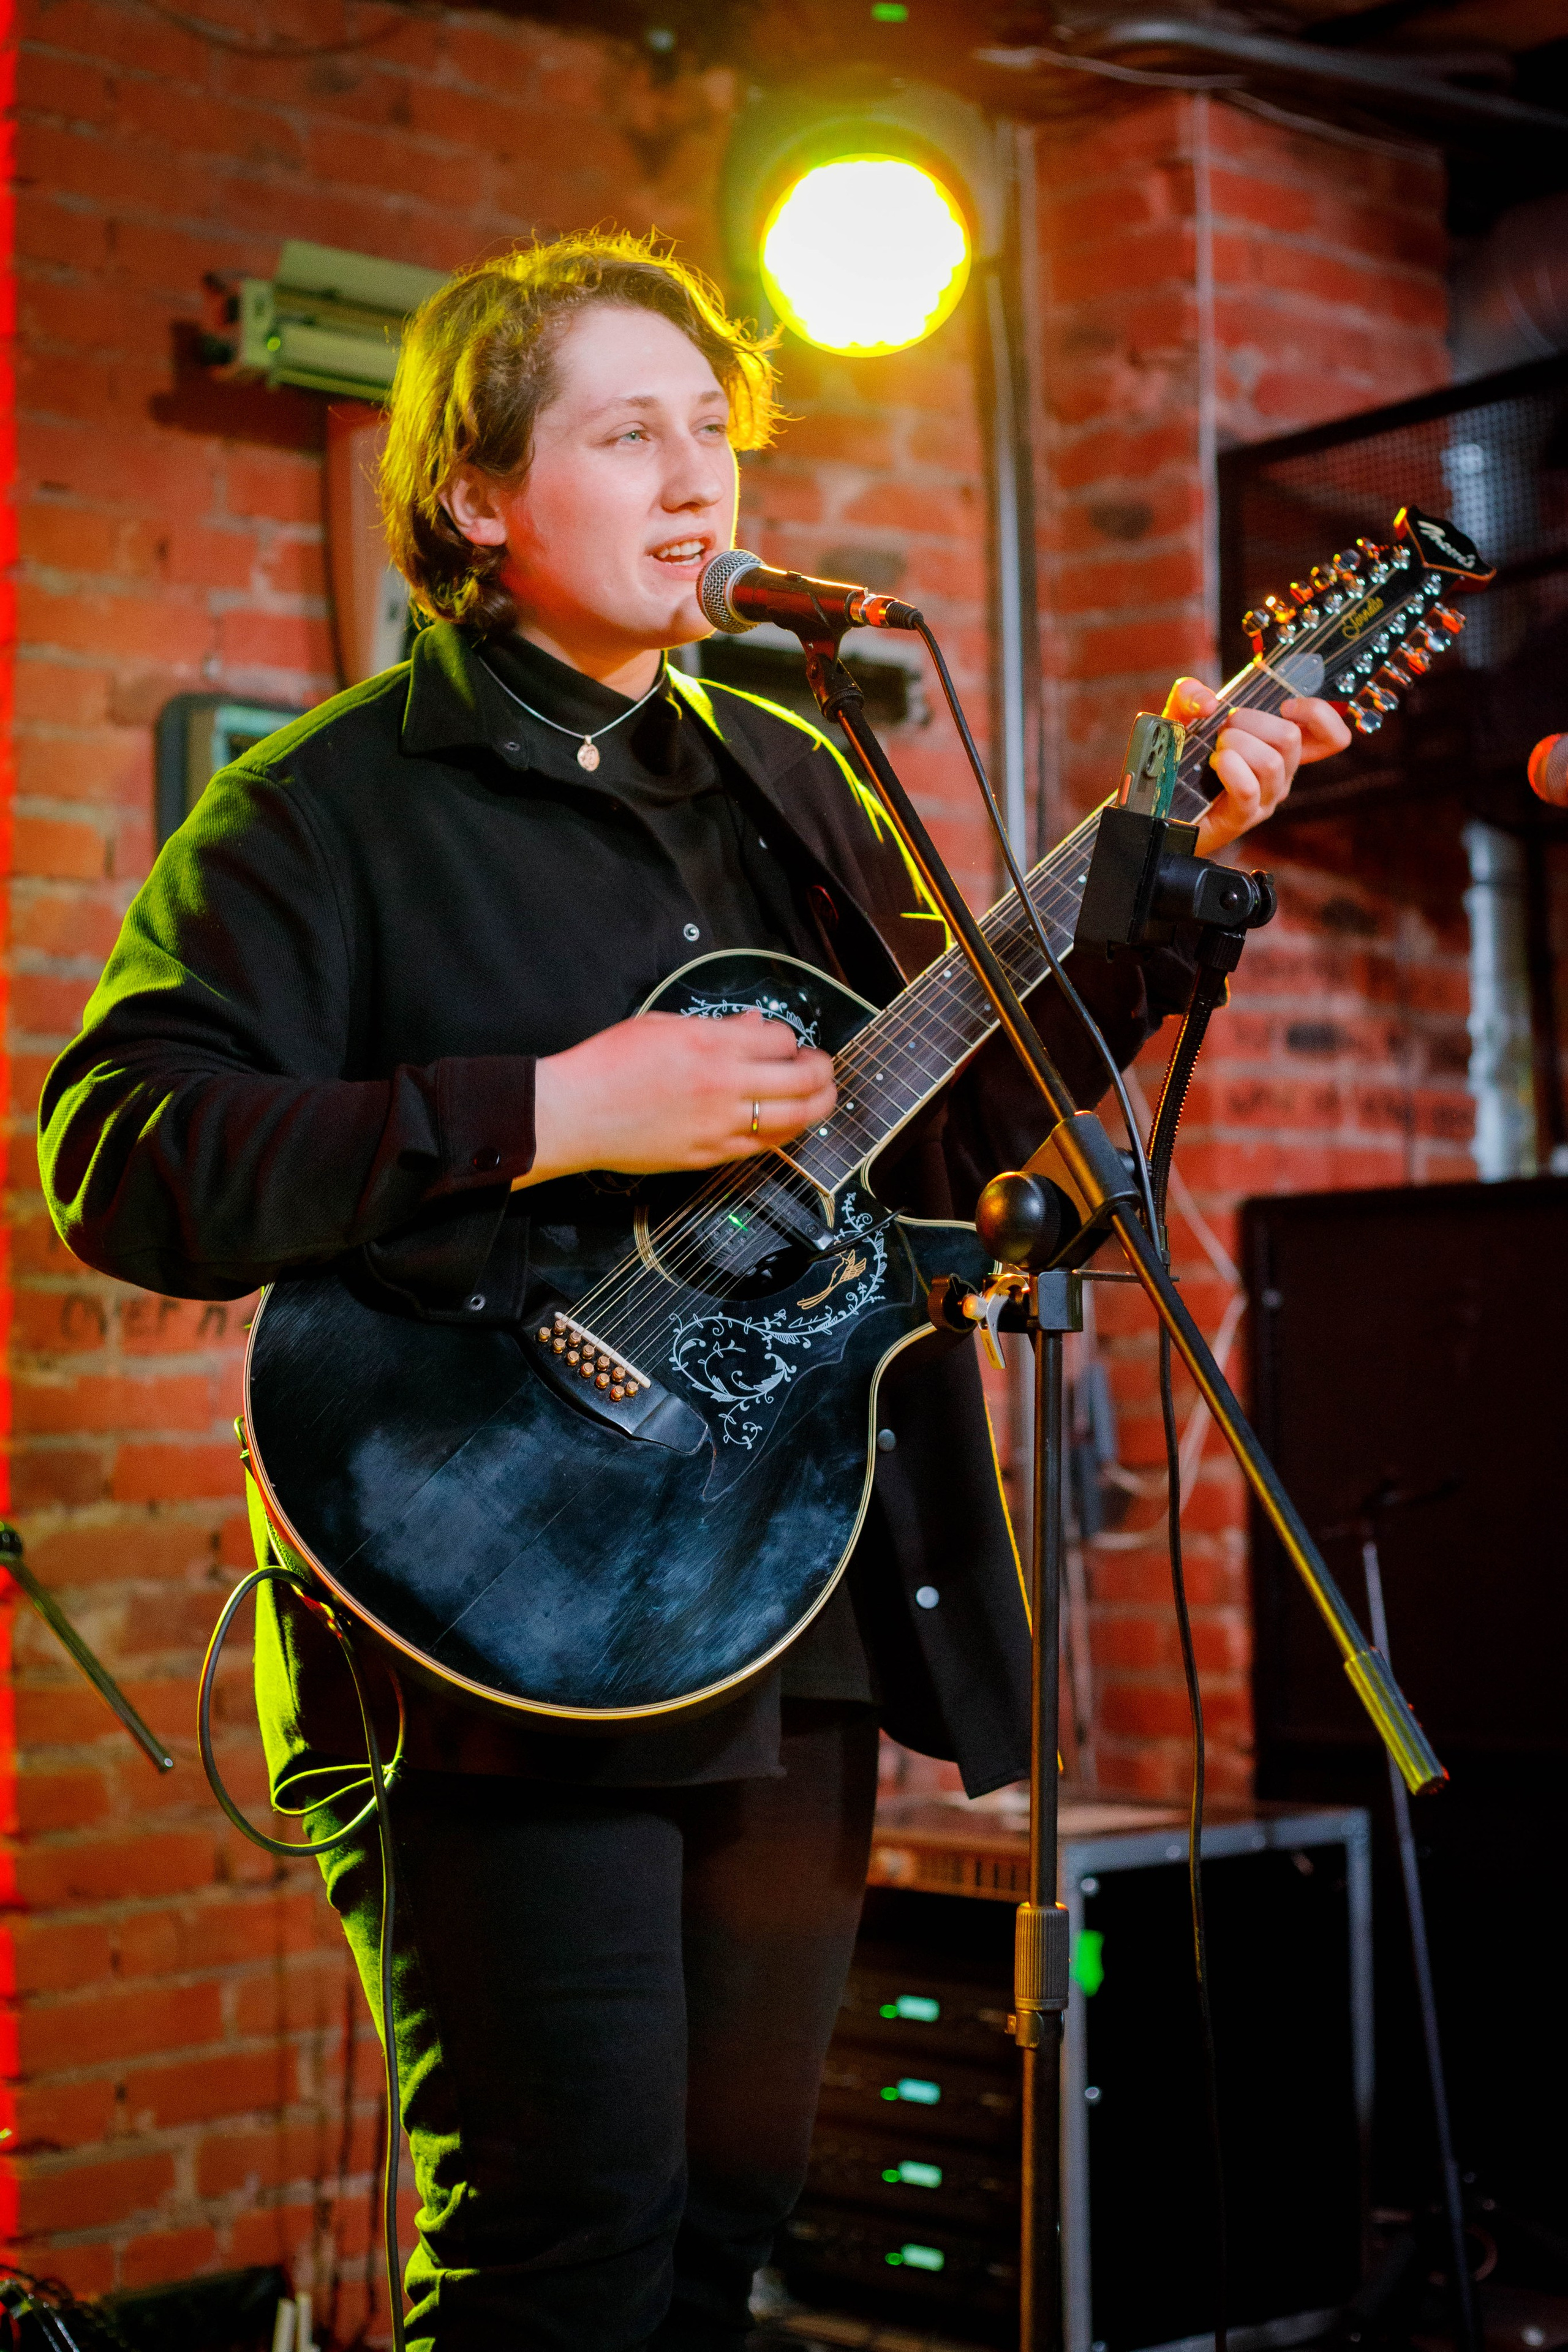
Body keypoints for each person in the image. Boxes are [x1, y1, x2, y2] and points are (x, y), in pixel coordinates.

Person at [39, 233, 1349, 2351]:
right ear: (478, 496)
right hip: (493, 1627)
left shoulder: (790, 766)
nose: (695, 483)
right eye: (628, 434)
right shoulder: (335, 807)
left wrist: (1153, 885)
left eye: (717, 435)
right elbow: (128, 1156)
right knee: (563, 2243)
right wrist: (557, 1108)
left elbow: (926, 1133)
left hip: (785, 1601)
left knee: (728, 2228)